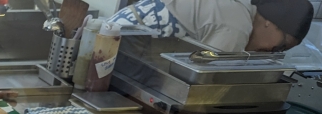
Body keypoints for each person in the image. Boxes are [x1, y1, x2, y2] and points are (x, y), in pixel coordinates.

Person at [108, 0, 314, 52]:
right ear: (271, 22)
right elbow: (209, 81)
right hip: (126, 44)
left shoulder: (240, 10)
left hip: (116, 31)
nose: (272, 52)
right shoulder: (237, 27)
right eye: (282, 46)